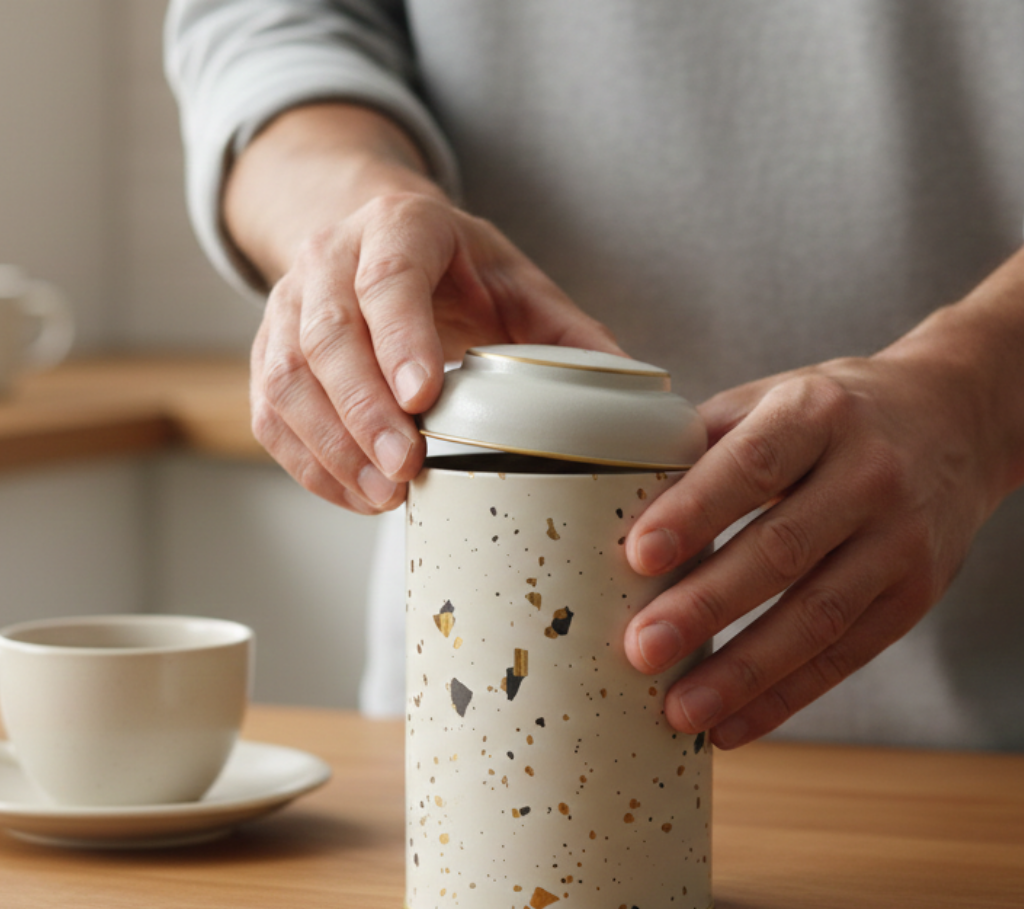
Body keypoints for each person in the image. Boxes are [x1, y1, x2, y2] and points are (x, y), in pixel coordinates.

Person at [165, 0, 1024, 749]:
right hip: (471, 728)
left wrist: (983, 392)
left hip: (989, 740)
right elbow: (268, 23)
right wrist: (355, 218)